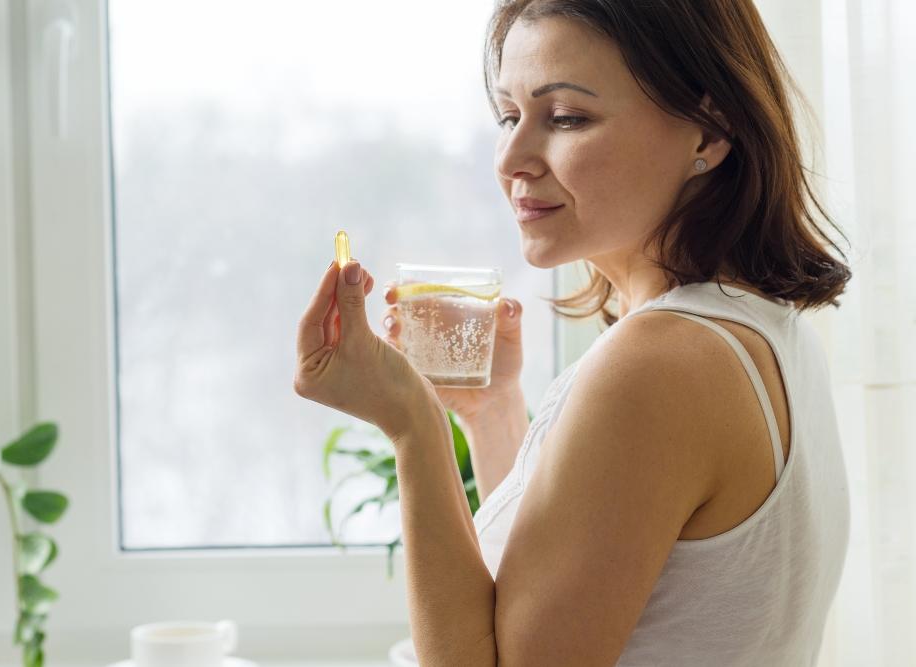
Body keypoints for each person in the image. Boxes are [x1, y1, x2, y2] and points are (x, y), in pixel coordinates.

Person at [295, 0, 852, 664]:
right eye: (509, 115)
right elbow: (564, 598)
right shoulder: (763, 328)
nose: (512, 158)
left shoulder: (659, 366)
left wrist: (412, 423)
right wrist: (494, 414)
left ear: (708, 133)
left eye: (566, 118)